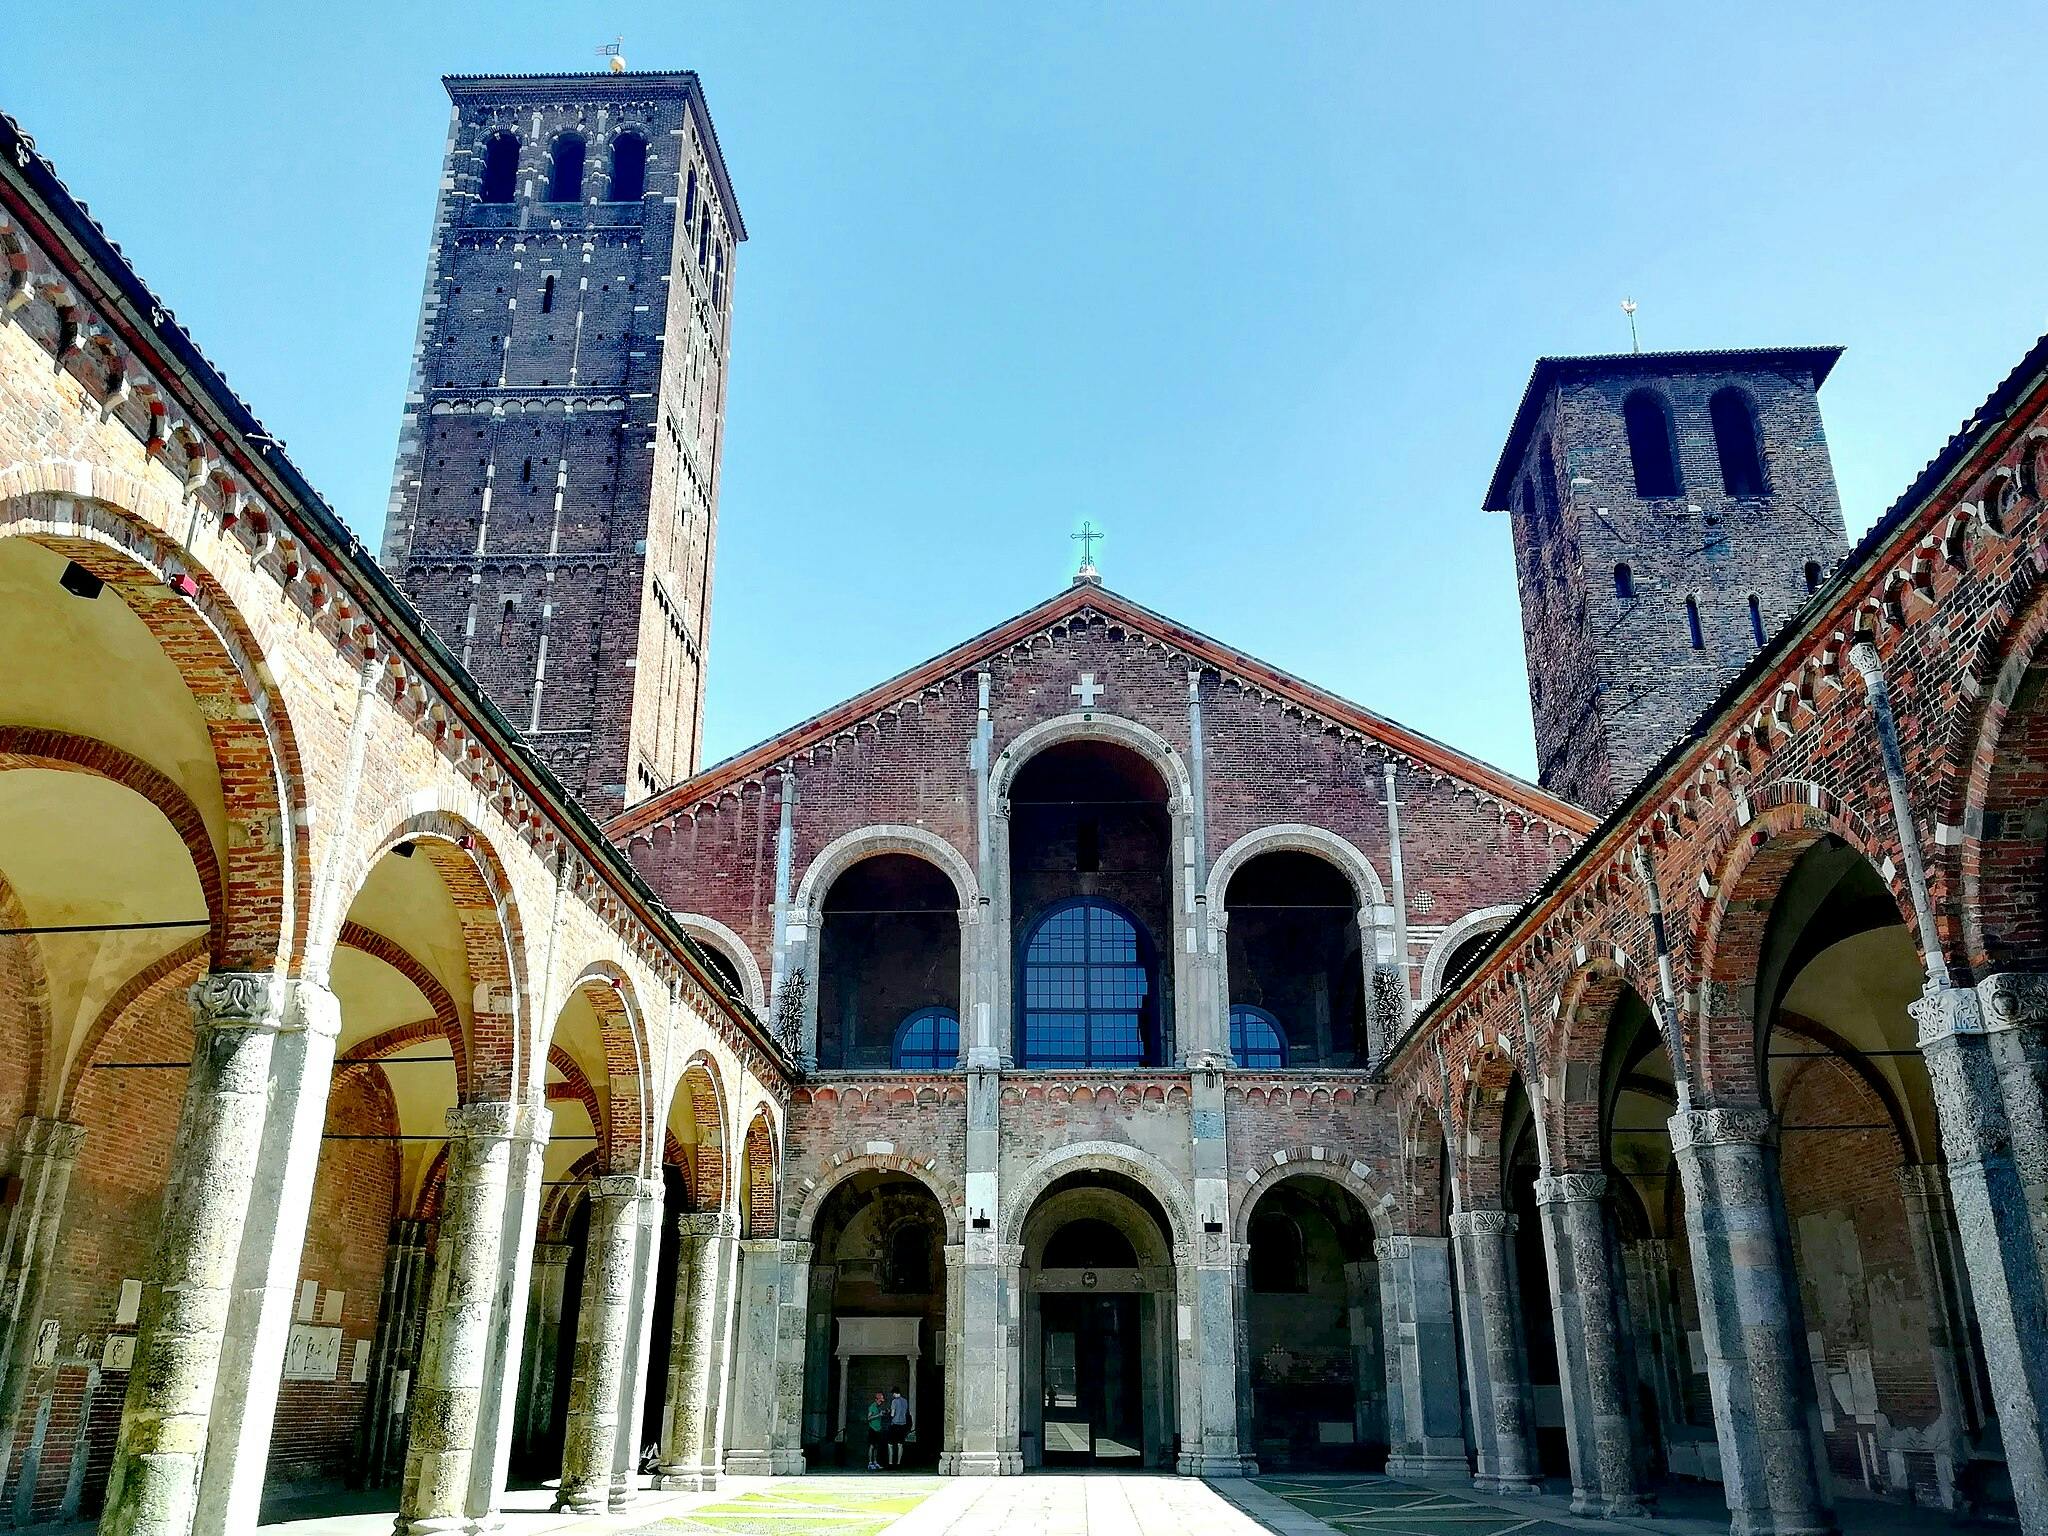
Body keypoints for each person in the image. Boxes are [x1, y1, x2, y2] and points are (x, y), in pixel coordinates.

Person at [864, 1390, 888, 1471]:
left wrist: (884, 1412)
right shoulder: (872, 1407)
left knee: (876, 1446)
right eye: (880, 1400)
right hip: (872, 1429)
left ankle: (875, 1462)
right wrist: (879, 1415)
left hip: (878, 1429)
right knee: (872, 1446)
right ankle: (870, 1463)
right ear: (876, 1399)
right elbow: (869, 1418)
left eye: (882, 1401)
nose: (881, 1402)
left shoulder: (878, 1407)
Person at [887, 1387, 911, 1467]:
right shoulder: (905, 1401)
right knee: (900, 1444)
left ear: (894, 1393)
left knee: (890, 1444)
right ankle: (898, 1463)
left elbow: (892, 1414)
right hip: (903, 1424)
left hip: (895, 1424)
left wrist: (889, 1412)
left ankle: (890, 1463)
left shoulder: (894, 1401)